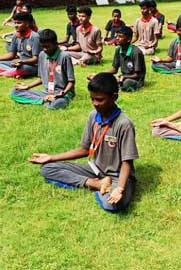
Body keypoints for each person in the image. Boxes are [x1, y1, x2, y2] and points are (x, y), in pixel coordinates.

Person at [29, 72, 139, 212]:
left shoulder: (124, 124)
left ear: (114, 97)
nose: (95, 104)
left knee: (112, 204)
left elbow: (127, 162)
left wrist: (120, 189)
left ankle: (102, 186)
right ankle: (96, 185)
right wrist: (51, 157)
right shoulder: (93, 116)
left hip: (117, 176)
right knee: (48, 168)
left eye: (100, 100)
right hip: (96, 170)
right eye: (92, 99)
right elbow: (84, 149)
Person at [11, 29, 75, 109]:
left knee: (57, 103)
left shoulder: (65, 56)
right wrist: (28, 86)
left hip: (61, 94)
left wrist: (64, 92)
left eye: (47, 47)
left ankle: (45, 101)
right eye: (43, 47)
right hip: (46, 92)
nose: (45, 49)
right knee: (14, 92)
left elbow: (71, 81)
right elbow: (41, 78)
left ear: (55, 44)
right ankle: (43, 100)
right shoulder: (42, 55)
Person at [90, 26, 146, 92]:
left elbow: (137, 75)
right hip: (122, 77)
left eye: (120, 36)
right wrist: (99, 75)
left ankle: (119, 86)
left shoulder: (136, 52)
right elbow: (114, 70)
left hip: (135, 80)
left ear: (128, 39)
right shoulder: (118, 50)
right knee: (101, 79)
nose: (117, 38)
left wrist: (124, 77)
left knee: (126, 83)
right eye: (116, 36)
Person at [0, 12, 40, 78]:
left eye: (19, 23)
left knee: (23, 68)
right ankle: (15, 73)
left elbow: (35, 59)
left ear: (27, 24)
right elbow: (12, 55)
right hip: (19, 63)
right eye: (15, 23)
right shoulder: (15, 36)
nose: (16, 25)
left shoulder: (34, 37)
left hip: (32, 65)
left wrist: (22, 62)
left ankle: (2, 74)